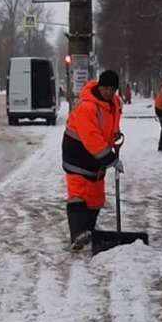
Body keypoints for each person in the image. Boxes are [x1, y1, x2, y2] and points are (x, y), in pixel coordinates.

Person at [62, 70, 124, 251]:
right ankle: (77, 235)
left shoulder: (114, 104)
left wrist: (115, 136)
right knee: (78, 194)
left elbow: (108, 127)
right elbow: (91, 136)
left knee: (95, 198)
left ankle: (88, 231)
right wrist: (110, 158)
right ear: (99, 86)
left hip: (95, 159)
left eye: (112, 89)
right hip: (77, 155)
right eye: (105, 88)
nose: (108, 92)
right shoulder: (87, 106)